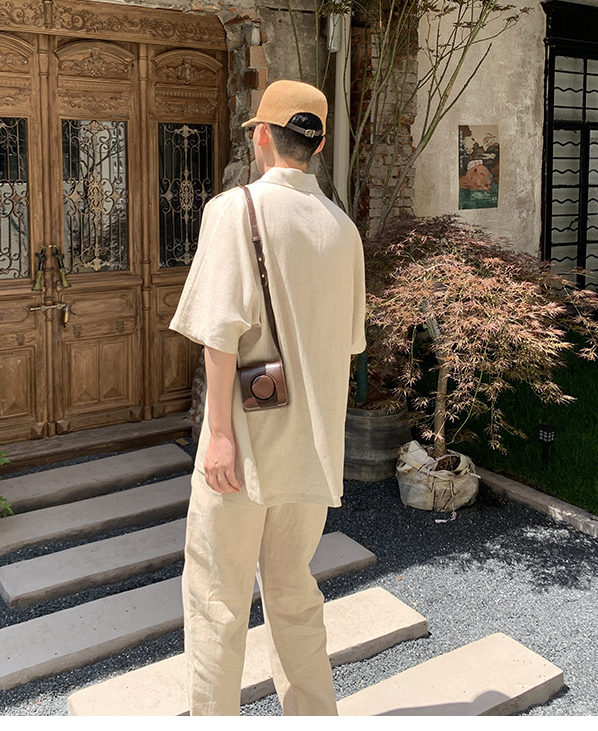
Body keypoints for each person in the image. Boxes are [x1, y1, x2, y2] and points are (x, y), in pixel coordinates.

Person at [169, 78, 367, 716]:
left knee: (217, 601)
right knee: (294, 596)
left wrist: (220, 436)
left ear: (261, 136)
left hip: (246, 442)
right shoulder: (343, 231)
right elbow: (348, 343)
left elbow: (219, 333)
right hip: (312, 450)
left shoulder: (235, 210)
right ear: (319, 144)